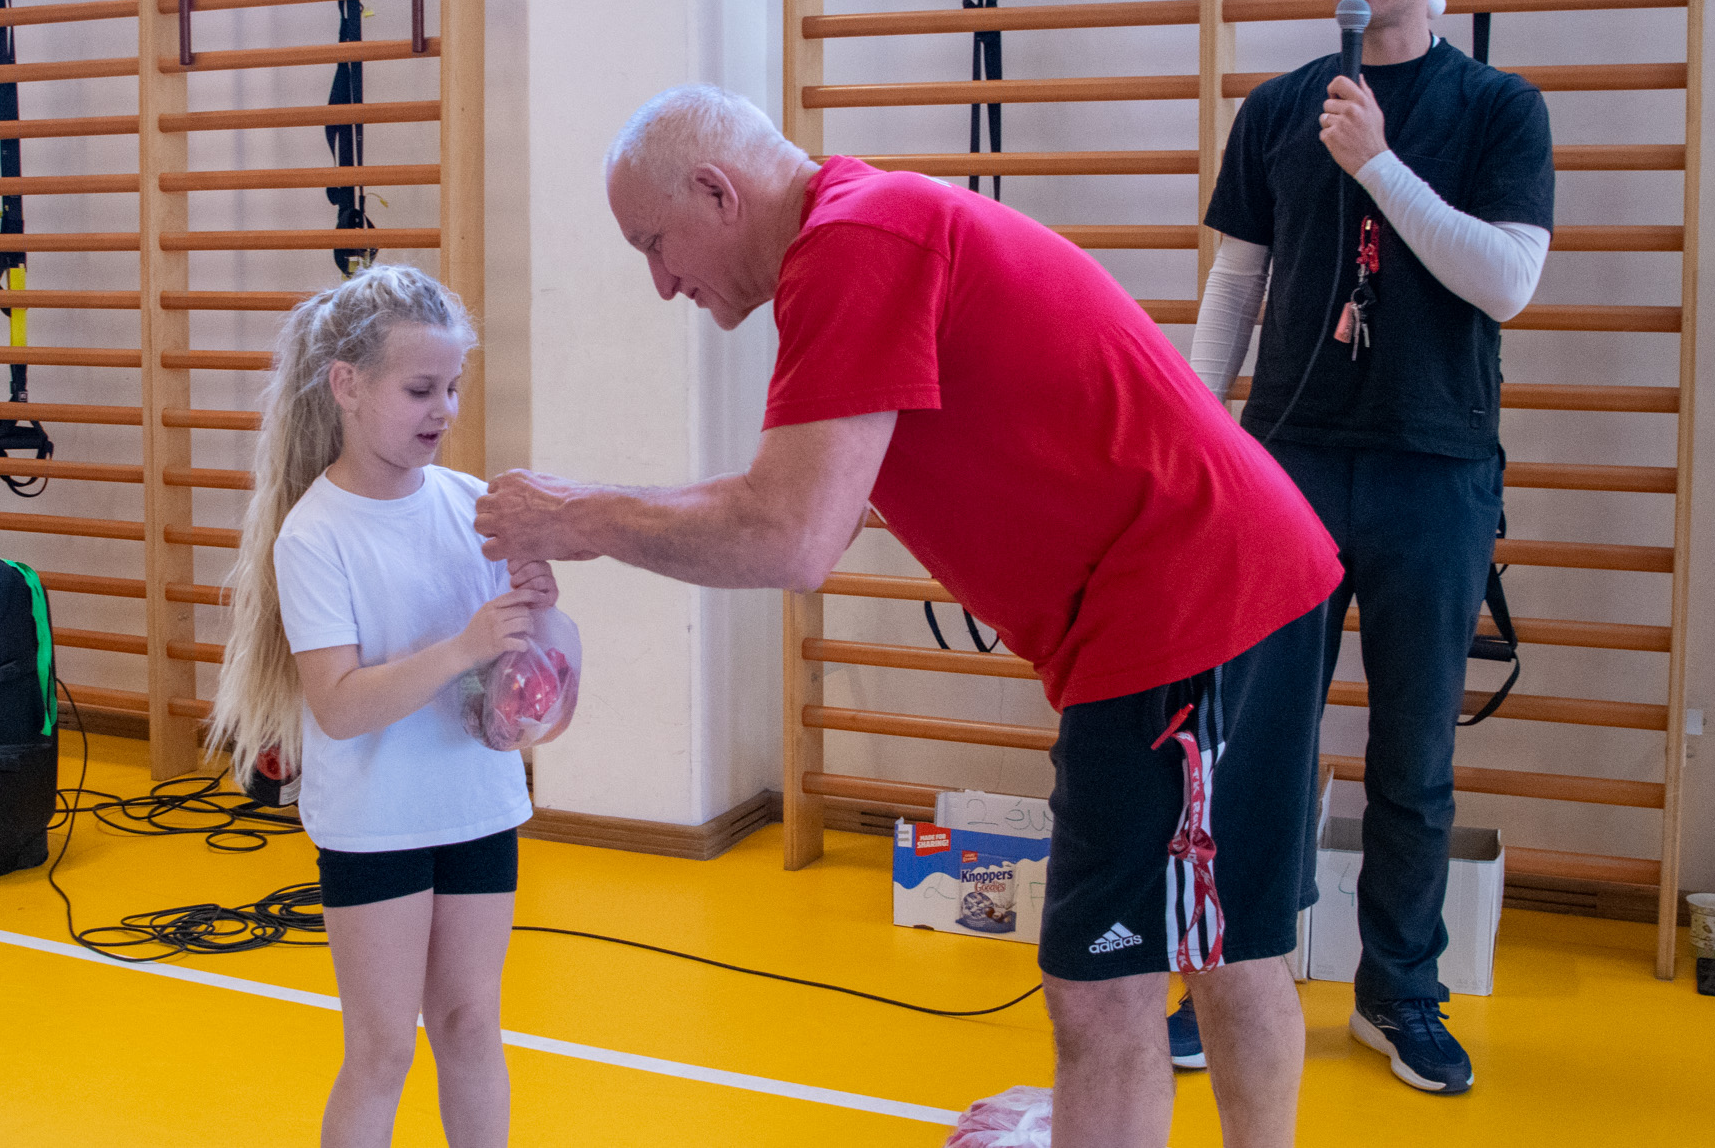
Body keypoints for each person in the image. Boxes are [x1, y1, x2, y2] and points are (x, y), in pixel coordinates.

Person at [473, 83, 1346, 1148]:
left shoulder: (852, 245)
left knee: (1103, 992)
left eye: (655, 244)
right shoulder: (865, 229)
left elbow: (789, 536)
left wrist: (581, 517)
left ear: (716, 190)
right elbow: (812, 509)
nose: (661, 283)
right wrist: (595, 516)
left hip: (1183, 605)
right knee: (1230, 950)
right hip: (1238, 576)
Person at [1186, 0, 1554, 1097]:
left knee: (1411, 757)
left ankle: (1398, 992)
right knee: (1254, 746)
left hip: (1431, 468)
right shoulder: (1278, 107)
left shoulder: (1496, 108)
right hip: (1286, 467)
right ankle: (1232, 980)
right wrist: (1196, 431)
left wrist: (1377, 165)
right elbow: (1235, 284)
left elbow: (1505, 282)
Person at [208, 264, 558, 1148]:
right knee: (382, 1048)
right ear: (348, 385)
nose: (443, 409)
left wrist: (537, 626)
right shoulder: (315, 534)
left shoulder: (472, 503)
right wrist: (466, 646)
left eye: (453, 386)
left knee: (472, 1025)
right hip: (375, 822)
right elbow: (338, 706)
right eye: (419, 389)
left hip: (475, 808)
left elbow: (516, 681)